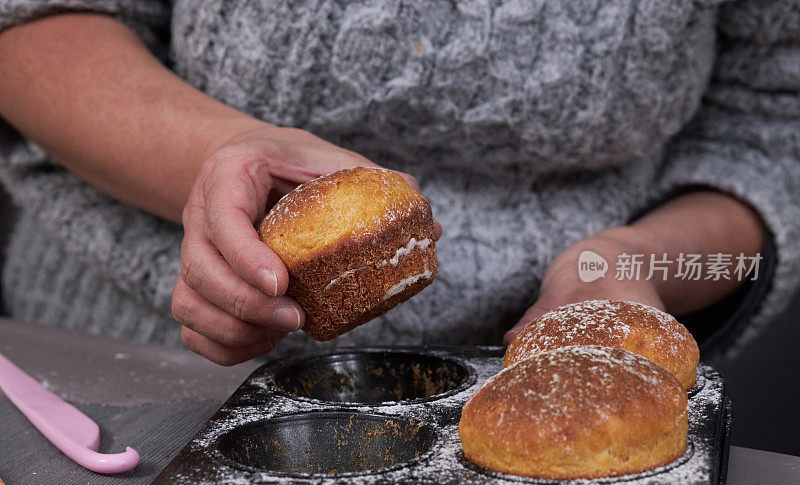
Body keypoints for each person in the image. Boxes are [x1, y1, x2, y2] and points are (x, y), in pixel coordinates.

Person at [0, 1, 797, 365]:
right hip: (124, 371)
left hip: (542, 382)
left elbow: (769, 123)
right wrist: (230, 149)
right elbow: (30, 22)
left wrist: (628, 260)